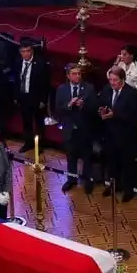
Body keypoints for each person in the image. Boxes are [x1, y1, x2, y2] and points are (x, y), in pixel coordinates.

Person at [98, 66, 137, 200]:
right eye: (110, 79)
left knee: (127, 164)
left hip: (125, 136)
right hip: (109, 134)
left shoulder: (131, 93)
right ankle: (112, 186)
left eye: (115, 80)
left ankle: (128, 190)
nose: (112, 82)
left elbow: (134, 116)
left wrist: (114, 115)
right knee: (111, 163)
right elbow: (101, 104)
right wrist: (101, 111)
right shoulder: (106, 90)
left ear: (122, 80)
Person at [54, 64, 98, 194]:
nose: (77, 76)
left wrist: (84, 105)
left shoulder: (89, 88)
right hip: (69, 130)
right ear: (68, 76)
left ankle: (87, 180)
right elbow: (58, 110)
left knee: (87, 156)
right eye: (74, 73)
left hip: (85, 129)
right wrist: (69, 104)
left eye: (79, 73)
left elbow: (95, 107)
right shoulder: (61, 89)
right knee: (71, 156)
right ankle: (71, 179)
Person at [13, 41, 50, 152]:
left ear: (32, 51)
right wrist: (16, 96)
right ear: (20, 52)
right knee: (26, 122)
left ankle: (39, 146)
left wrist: (43, 100)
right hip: (23, 97)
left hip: (37, 98)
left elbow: (46, 83)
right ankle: (28, 143)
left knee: (39, 123)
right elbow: (16, 80)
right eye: (23, 51)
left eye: (28, 51)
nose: (26, 54)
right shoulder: (18, 62)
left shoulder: (40, 63)